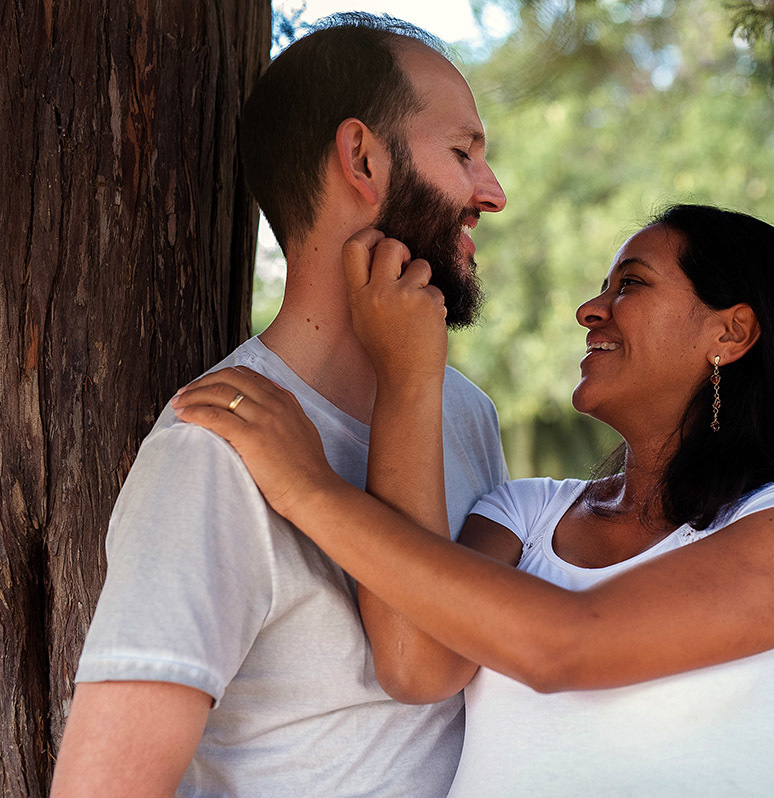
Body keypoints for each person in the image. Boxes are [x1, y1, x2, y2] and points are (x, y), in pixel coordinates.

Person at [173, 204, 774, 796]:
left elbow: (566, 643)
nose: (592, 309)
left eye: (631, 284)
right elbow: (414, 664)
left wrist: (305, 486)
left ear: (731, 332)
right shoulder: (527, 512)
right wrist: (409, 377)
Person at [51, 15, 508, 798]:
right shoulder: (212, 450)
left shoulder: (464, 414)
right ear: (361, 156)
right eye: (463, 153)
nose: (490, 194)